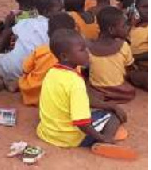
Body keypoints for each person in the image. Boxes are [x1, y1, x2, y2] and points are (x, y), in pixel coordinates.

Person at [37, 29, 136, 160]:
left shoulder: (52, 73)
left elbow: (81, 100)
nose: (87, 53)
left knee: (103, 108)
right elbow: (81, 123)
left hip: (47, 132)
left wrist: (109, 105)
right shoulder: (75, 82)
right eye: (82, 50)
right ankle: (104, 141)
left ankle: (103, 132)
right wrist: (101, 136)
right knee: (113, 117)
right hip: (70, 138)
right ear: (65, 56)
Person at [0, 0, 63, 90]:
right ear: (47, 12)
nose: (63, 12)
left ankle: (0, 79)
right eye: (60, 10)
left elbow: (8, 33)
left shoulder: (26, 21)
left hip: (10, 67)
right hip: (33, 72)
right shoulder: (55, 27)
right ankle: (19, 83)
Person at [18, 13, 76, 106]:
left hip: (32, 94)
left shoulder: (41, 50)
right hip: (56, 99)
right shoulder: (74, 54)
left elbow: (25, 69)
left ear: (48, 33)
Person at [87, 7, 136, 103]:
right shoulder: (123, 45)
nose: (127, 28)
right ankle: (113, 96)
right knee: (130, 90)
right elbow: (129, 68)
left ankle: (102, 97)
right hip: (120, 90)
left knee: (88, 87)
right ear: (111, 30)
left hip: (97, 89)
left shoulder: (89, 47)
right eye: (124, 26)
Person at [128, 0, 147, 90]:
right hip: (138, 68)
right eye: (145, 7)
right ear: (136, 8)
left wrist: (134, 58)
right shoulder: (132, 26)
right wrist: (131, 25)